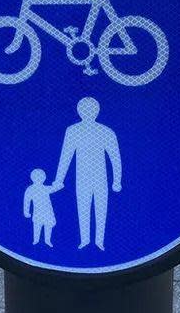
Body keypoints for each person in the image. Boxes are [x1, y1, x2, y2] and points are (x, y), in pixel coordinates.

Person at [52, 97, 122, 250]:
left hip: (100, 178)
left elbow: (115, 158)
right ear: (79, 111)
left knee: (101, 208)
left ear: (97, 111)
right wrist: (59, 180)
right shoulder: (73, 131)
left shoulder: (106, 131)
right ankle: (84, 240)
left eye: (91, 109)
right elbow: (66, 156)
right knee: (82, 208)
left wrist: (117, 181)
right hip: (82, 177)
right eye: (84, 109)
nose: (88, 112)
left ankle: (99, 241)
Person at [23, 168, 57, 246]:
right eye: (37, 177)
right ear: (33, 178)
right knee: (37, 225)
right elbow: (27, 201)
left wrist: (59, 185)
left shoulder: (45, 188)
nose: (39, 178)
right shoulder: (30, 189)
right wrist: (26, 212)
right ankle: (36, 240)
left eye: (41, 177)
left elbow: (53, 189)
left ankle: (47, 240)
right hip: (37, 212)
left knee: (48, 225)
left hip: (48, 211)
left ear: (44, 178)